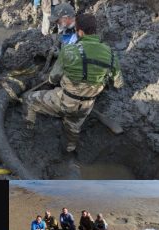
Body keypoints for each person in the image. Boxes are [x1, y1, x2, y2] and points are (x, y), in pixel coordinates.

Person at [23, 14, 123, 152]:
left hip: (65, 102)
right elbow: (117, 84)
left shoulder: (69, 50)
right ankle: (70, 148)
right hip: (86, 106)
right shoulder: (111, 54)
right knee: (74, 125)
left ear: (80, 31)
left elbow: (53, 79)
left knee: (29, 99)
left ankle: (28, 132)